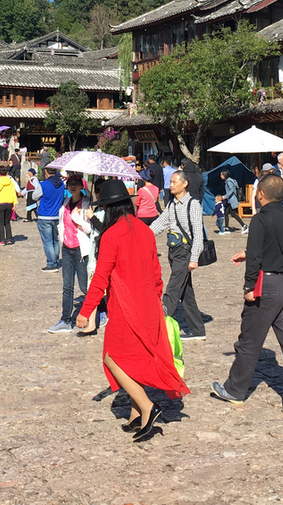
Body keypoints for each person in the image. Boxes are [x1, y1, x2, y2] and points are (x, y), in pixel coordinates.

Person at [77, 179, 190, 442]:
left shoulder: (111, 236)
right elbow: (157, 274)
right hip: (149, 304)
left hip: (126, 307)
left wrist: (86, 311)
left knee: (113, 358)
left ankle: (148, 407)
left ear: (109, 208)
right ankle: (135, 414)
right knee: (133, 361)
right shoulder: (145, 230)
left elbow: (100, 279)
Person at [211, 173, 283, 418]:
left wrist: (248, 288)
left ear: (261, 194)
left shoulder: (260, 220)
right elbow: (281, 249)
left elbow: (255, 258)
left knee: (249, 341)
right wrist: (249, 253)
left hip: (266, 286)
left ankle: (234, 389)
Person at [150, 170, 207, 342]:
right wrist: (142, 235)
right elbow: (160, 223)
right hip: (173, 251)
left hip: (185, 252)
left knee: (173, 289)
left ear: (185, 184)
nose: (171, 185)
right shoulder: (172, 204)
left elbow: (198, 233)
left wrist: (194, 257)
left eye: (175, 182)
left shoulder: (193, 205)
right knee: (186, 293)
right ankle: (197, 330)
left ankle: (158, 324)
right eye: (171, 182)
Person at [48, 176, 94, 333]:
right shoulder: (66, 203)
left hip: (81, 250)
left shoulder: (87, 204)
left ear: (82, 186)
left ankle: (98, 311)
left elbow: (89, 229)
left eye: (76, 184)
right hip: (67, 248)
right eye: (70, 184)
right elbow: (62, 223)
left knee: (84, 286)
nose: (73, 187)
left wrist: (79, 220)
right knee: (67, 286)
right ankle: (66, 319)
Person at [35, 167, 64, 272]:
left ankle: (51, 264)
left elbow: (34, 196)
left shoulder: (43, 185)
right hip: (56, 216)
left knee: (47, 241)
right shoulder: (62, 184)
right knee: (55, 240)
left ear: (46, 172)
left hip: (45, 215)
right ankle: (55, 260)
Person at [0, 164, 22, 246]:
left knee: (0, 222)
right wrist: (15, 204)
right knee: (7, 222)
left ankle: (1, 239)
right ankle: (9, 239)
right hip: (9, 203)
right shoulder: (10, 181)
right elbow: (13, 193)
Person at [219, 168, 245, 234]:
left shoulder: (229, 182)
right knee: (226, 213)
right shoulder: (229, 181)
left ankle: (244, 226)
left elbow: (231, 190)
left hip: (231, 200)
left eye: (221, 174)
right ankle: (227, 226)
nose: (220, 176)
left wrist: (225, 196)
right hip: (229, 200)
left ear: (224, 175)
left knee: (233, 214)